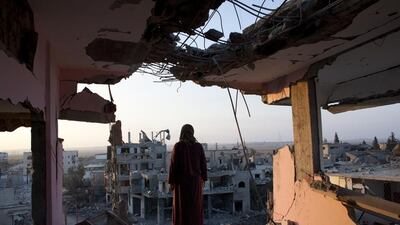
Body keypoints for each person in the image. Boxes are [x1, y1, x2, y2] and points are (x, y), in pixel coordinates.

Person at [168, 124, 207, 225]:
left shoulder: (178, 146)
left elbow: (173, 166)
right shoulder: (198, 146)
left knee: (182, 209)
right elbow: (203, 165)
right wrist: (203, 179)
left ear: (182, 132)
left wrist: (171, 182)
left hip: (181, 185)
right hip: (195, 184)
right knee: (195, 209)